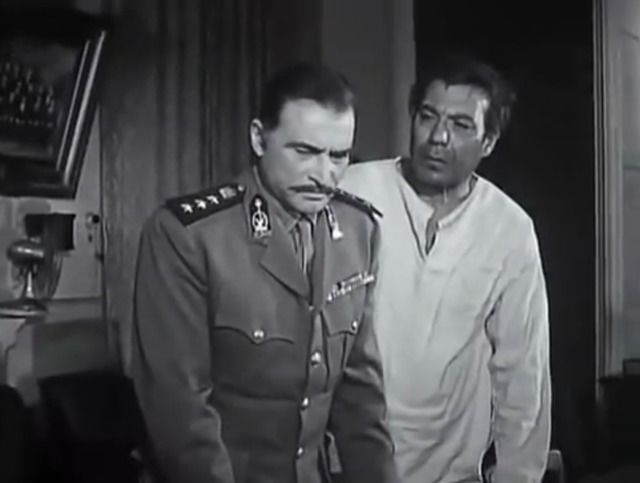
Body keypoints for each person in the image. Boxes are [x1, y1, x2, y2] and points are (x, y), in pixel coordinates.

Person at [130, 62, 397, 483]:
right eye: (304, 151)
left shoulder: (358, 231)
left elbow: (361, 399)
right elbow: (181, 415)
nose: (323, 175)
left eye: (338, 156)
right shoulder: (189, 237)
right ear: (258, 138)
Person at [339, 54, 551, 483]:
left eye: (461, 125)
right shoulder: (353, 193)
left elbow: (522, 371)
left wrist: (517, 475)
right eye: (428, 117)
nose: (437, 137)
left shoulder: (509, 229)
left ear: (488, 142)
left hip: (452, 472)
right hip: (347, 463)